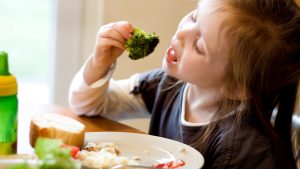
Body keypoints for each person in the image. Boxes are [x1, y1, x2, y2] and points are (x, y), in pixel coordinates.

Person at [69, 0, 300, 168]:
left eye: (199, 45)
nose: (180, 34)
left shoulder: (242, 148)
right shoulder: (169, 85)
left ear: (236, 88)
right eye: (194, 16)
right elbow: (90, 106)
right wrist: (100, 63)